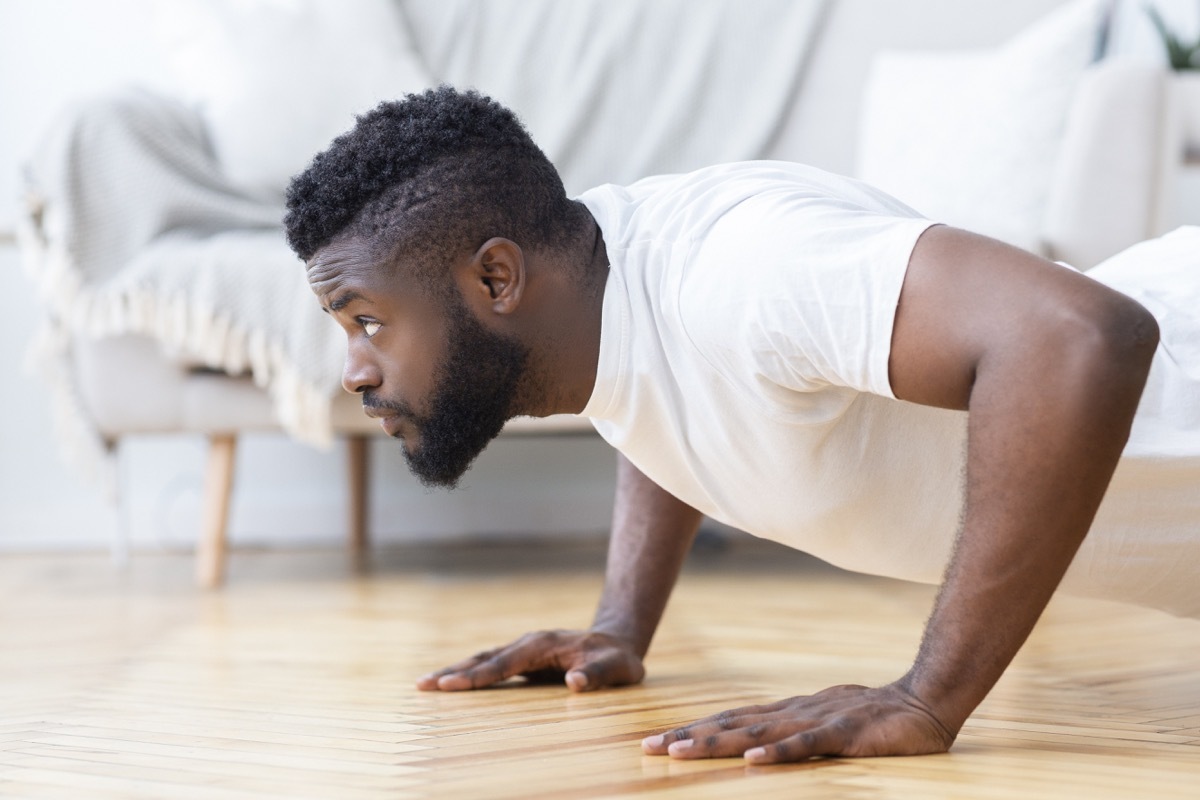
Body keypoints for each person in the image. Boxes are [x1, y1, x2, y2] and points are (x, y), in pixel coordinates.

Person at [283, 87, 1199, 764]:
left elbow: (1080, 339)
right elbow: (657, 385)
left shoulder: (743, 268)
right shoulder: (598, 288)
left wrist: (928, 696)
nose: (355, 369)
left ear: (496, 280)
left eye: (366, 319)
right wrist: (621, 623)